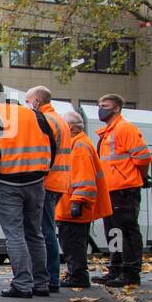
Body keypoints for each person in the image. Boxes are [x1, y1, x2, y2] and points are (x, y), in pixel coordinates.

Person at [0, 80, 56, 298]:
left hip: (7, 182)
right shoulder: (33, 114)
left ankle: (22, 284)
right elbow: (52, 144)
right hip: (36, 181)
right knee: (35, 233)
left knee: (15, 234)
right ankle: (41, 283)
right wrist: (43, 170)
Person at [93, 93, 152, 287]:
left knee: (126, 231)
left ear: (116, 108)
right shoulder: (108, 132)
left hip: (124, 189)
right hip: (112, 190)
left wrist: (141, 177)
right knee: (113, 232)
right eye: (99, 104)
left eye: (105, 105)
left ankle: (130, 272)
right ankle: (116, 269)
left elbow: (144, 157)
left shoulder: (124, 129)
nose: (100, 108)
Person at [54, 110, 111, 289]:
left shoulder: (78, 146)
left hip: (73, 206)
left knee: (73, 243)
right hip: (73, 204)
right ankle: (75, 273)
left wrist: (77, 201)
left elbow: (83, 178)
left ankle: (77, 275)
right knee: (74, 242)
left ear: (69, 127)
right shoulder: (78, 143)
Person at [28, 86, 70, 293]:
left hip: (47, 182)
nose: (28, 106)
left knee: (43, 231)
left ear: (37, 101)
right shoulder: (59, 120)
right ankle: (51, 277)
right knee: (46, 230)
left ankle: (49, 277)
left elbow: (42, 152)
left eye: (29, 102)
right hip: (58, 181)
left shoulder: (45, 120)